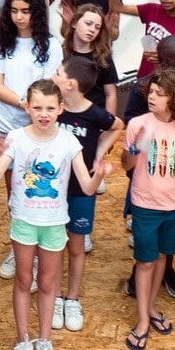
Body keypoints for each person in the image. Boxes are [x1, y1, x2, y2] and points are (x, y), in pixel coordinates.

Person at [0, 79, 110, 350]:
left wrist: (101, 172)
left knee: (47, 284)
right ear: (27, 107)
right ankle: (23, 340)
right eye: (37, 107)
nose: (44, 113)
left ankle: (44, 341)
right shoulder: (16, 138)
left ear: (60, 109)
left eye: (50, 108)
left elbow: (87, 186)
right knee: (23, 280)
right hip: (24, 221)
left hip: (55, 223)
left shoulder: (68, 142)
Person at [0, 0, 63, 279]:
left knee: (41, 188)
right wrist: (23, 103)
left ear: (37, 13)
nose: (19, 17)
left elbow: (48, 88)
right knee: (14, 190)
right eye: (14, 11)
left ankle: (44, 248)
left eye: (25, 11)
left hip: (39, 129)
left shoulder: (51, 46)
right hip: (6, 127)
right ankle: (20, 248)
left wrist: (34, 110)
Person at [120, 68, 175, 350]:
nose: (152, 97)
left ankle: (151, 306)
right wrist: (135, 145)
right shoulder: (138, 123)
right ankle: (142, 320)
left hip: (174, 207)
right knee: (145, 262)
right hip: (145, 206)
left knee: (163, 257)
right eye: (151, 92)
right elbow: (126, 166)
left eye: (160, 94)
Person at [52, 57, 123, 333]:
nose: (53, 75)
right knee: (56, 244)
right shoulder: (55, 109)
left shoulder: (95, 113)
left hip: (81, 190)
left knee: (76, 245)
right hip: (55, 189)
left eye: (58, 72)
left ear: (70, 84)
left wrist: (100, 151)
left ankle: (72, 298)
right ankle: (55, 297)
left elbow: (117, 125)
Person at [61, 4, 120, 114]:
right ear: (74, 23)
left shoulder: (103, 56)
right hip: (66, 114)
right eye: (88, 24)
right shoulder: (61, 53)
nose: (92, 30)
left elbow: (111, 94)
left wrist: (108, 124)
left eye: (97, 27)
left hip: (95, 115)